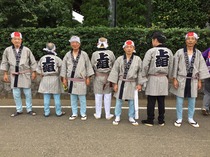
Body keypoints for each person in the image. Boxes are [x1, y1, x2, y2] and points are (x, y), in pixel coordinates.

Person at [170, 32, 210, 128]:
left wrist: (200, 80)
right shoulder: (179, 52)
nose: (190, 40)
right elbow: (175, 65)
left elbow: (201, 67)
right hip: (181, 78)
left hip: (193, 79)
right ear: (185, 40)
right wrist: (174, 79)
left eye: (192, 39)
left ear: (196, 41)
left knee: (192, 99)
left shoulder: (199, 53)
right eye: (189, 39)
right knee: (179, 99)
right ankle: (179, 118)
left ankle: (190, 118)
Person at [108, 40, 145, 126]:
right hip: (121, 82)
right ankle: (117, 116)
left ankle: (131, 116)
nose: (129, 49)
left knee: (132, 101)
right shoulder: (119, 59)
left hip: (132, 83)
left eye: (131, 47)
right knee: (119, 100)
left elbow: (140, 72)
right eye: (127, 47)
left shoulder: (138, 59)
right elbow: (115, 71)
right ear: (124, 48)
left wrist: (140, 84)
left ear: (133, 48)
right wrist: (115, 84)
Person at [0, 32, 37, 117]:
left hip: (25, 73)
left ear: (21, 40)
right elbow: (5, 62)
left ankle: (29, 109)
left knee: (27, 93)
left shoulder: (27, 50)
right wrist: (5, 74)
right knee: (16, 93)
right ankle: (19, 109)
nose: (17, 41)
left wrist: (34, 72)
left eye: (18, 39)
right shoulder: (7, 50)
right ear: (12, 40)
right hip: (14, 74)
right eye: (15, 39)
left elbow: (33, 61)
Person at [141, 31, 173, 127]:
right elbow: (171, 66)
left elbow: (145, 65)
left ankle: (150, 119)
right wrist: (169, 76)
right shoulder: (169, 51)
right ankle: (161, 120)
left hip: (153, 77)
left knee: (151, 100)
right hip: (163, 78)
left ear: (155, 40)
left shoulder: (151, 51)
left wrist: (144, 75)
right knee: (161, 100)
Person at [60, 36, 94, 121]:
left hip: (81, 79)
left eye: (76, 43)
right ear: (70, 44)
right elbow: (64, 67)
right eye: (73, 43)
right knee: (73, 98)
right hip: (71, 80)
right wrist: (64, 78)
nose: (74, 44)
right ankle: (74, 113)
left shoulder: (84, 54)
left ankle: (83, 113)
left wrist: (88, 77)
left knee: (82, 98)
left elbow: (88, 66)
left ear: (79, 44)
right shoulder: (67, 54)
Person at [36, 43, 66, 117]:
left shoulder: (42, 58)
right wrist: (61, 76)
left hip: (45, 78)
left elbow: (38, 69)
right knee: (56, 97)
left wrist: (41, 73)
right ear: (54, 48)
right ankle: (58, 112)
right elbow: (63, 68)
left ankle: (46, 112)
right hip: (55, 78)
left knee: (46, 96)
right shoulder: (57, 58)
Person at [91, 37, 115, 120]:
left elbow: (92, 66)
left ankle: (98, 114)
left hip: (98, 76)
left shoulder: (94, 54)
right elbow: (114, 65)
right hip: (108, 76)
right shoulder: (110, 53)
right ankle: (107, 114)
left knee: (98, 95)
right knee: (107, 95)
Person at [201, 47, 210, 115]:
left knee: (207, 91)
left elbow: (202, 55)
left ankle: (205, 107)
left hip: (208, 73)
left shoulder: (209, 49)